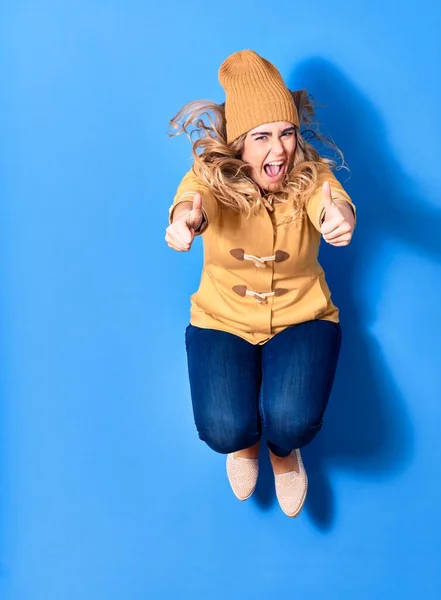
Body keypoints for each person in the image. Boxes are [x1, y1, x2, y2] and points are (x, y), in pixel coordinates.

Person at [165, 50, 356, 518]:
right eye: (263, 137)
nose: (279, 151)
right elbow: (194, 198)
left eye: (287, 133)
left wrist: (339, 218)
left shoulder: (312, 175)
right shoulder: (210, 176)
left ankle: (281, 451)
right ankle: (246, 443)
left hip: (302, 317)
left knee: (293, 422)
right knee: (224, 430)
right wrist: (185, 219)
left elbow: (332, 203)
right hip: (221, 319)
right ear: (239, 143)